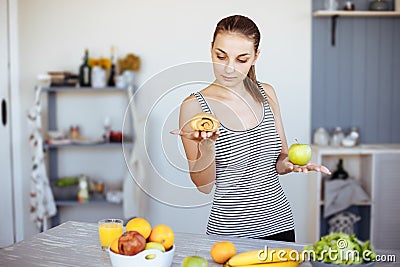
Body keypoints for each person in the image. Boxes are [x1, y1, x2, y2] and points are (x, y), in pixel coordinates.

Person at [171, 15, 330, 242]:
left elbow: (280, 160)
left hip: (280, 226)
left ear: (256, 57)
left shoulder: (267, 94)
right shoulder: (194, 106)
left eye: (241, 59)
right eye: (221, 56)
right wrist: (207, 146)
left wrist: (290, 164)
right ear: (211, 49)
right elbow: (204, 186)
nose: (229, 68)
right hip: (228, 235)